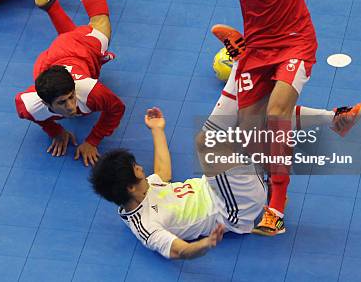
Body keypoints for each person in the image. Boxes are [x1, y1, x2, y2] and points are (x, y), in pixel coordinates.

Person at [157, 0, 361, 236]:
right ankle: (334, 119)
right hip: (259, 48)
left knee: (277, 111)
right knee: (254, 136)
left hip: (296, 39)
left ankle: (277, 207)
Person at [90, 107, 267, 259]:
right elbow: (180, 251)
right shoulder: (146, 225)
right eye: (136, 168)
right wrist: (206, 243)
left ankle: (268, 178)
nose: (142, 169)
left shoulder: (143, 190)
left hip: (220, 186)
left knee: (231, 128)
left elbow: (162, 172)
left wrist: (157, 129)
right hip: (232, 207)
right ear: (130, 188)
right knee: (209, 142)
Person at [15, 0, 124, 167]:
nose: (72, 105)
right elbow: (34, 116)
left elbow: (116, 108)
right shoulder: (28, 105)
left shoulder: (92, 91)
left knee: (99, 20)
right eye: (63, 103)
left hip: (80, 50)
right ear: (45, 103)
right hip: (51, 59)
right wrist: (54, 131)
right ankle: (54, 2)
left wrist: (93, 140)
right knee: (81, 28)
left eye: (71, 97)